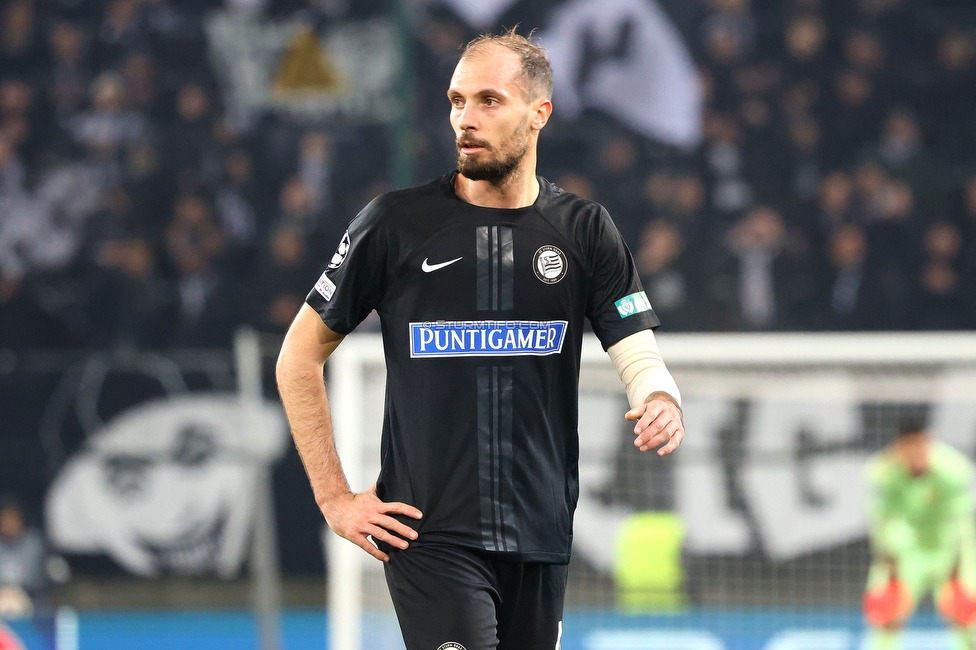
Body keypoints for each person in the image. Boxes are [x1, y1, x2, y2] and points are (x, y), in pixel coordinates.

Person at [276, 28, 684, 649]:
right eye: (456, 101)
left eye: (488, 101)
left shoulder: (584, 230)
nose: (465, 118)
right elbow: (297, 358)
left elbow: (635, 347)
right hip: (428, 534)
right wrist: (335, 499)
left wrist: (660, 397)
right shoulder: (394, 225)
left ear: (539, 113)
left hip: (541, 532)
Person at [863, 415, 976, 650]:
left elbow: (961, 528)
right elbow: (883, 525)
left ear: (928, 441)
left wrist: (957, 577)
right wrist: (891, 570)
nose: (917, 452)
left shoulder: (954, 471)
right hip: (906, 553)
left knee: (966, 617)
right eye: (910, 446)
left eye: (922, 444)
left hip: (948, 552)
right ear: (899, 447)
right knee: (885, 615)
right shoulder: (884, 473)